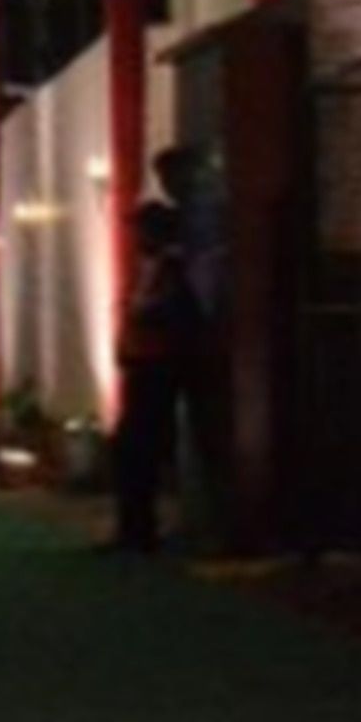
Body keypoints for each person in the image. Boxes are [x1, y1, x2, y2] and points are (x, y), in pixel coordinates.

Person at [109, 195, 200, 553]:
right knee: (133, 449)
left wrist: (145, 314)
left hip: (157, 367)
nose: (136, 238)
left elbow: (170, 314)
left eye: (141, 230)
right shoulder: (152, 268)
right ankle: (134, 528)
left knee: (137, 448)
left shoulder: (172, 269)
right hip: (142, 363)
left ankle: (140, 530)